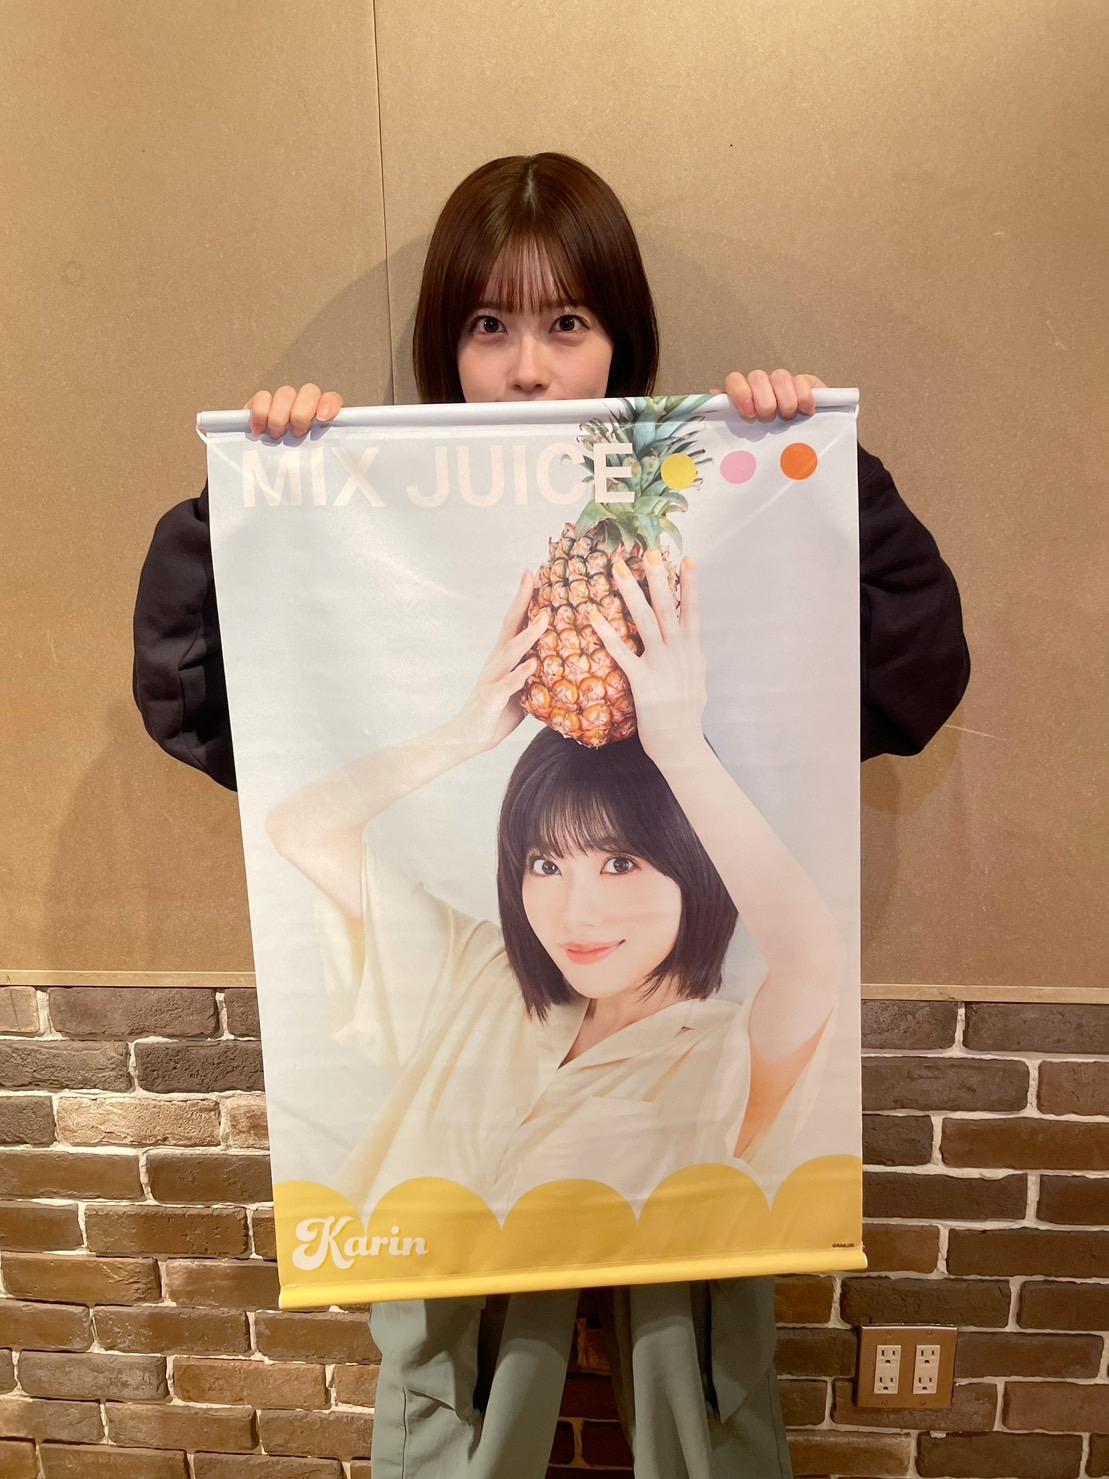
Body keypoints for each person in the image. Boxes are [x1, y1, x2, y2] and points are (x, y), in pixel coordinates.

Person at [133, 153, 970, 1479]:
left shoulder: (716, 1028)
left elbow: (905, 683)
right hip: (469, 1189)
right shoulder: (482, 969)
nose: (528, 369)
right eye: (489, 325)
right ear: (446, 348)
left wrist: (807, 478)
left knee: (703, 1383)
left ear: (620, 341)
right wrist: (254, 501)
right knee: (457, 1393)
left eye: (566, 323)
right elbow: (246, 746)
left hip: (685, 1143)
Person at [266, 560, 845, 1220]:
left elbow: (812, 962)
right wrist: (463, 735)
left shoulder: (724, 1056)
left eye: (619, 863)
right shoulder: (475, 976)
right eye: (545, 865)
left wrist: (681, 749)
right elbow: (302, 829)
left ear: (694, 866)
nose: (576, 912)